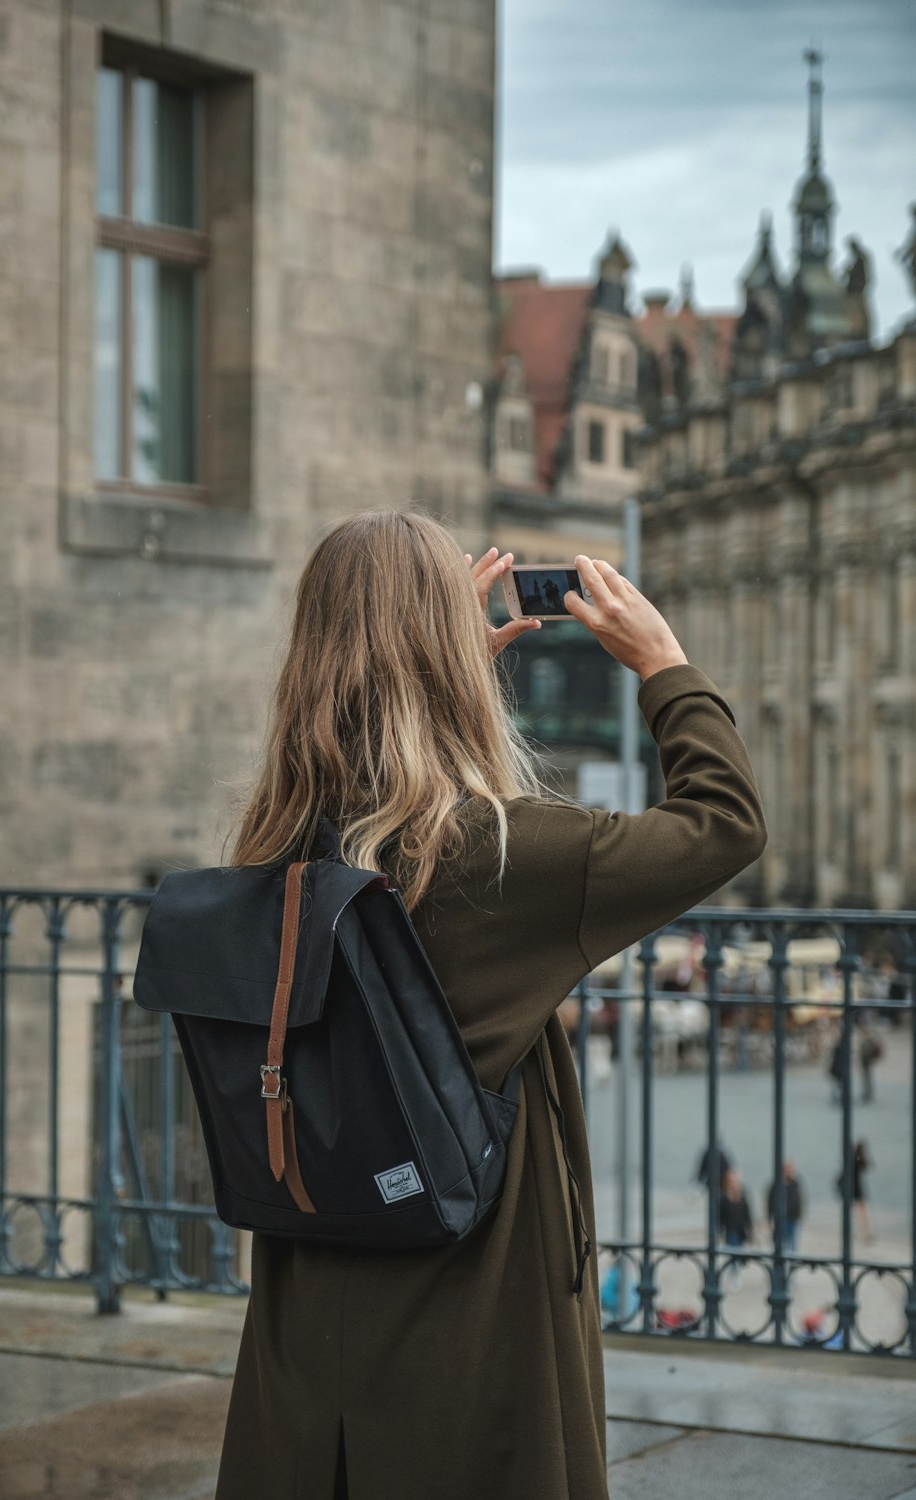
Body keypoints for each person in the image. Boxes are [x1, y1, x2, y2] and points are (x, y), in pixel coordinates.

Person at [212, 510, 767, 1500]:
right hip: (467, 1326)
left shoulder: (271, 842)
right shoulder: (511, 856)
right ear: (450, 661)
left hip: (311, 1326)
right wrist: (664, 666)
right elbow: (724, 822)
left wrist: (422, 671)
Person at [719, 1167, 754, 1283]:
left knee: (739, 1252)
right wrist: (719, 1230)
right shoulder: (724, 1197)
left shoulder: (743, 1195)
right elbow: (720, 1216)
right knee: (732, 1252)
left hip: (741, 1230)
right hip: (730, 1230)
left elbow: (747, 1213)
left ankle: (736, 1273)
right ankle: (733, 1275)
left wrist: (750, 1228)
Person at [837, 1140, 875, 1244]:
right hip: (855, 1189)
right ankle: (864, 1233)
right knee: (860, 1212)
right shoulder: (855, 1160)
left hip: (854, 1189)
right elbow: (867, 1166)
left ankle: (862, 1233)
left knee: (858, 1212)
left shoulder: (853, 1160)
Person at [766, 1159, 805, 1254]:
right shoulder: (776, 1184)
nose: (790, 1172)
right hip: (781, 1218)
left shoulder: (795, 1183)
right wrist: (770, 1218)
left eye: (791, 1169)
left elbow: (799, 1200)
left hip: (793, 1218)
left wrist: (800, 1214)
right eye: (788, 1169)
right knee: (781, 1243)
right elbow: (770, 1202)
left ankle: (792, 1263)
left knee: (792, 1242)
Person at [859, 1023, 884, 1103]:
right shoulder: (867, 1041)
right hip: (866, 1063)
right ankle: (867, 1094)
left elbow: (866, 1053)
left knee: (867, 1080)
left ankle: (868, 1094)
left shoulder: (867, 1041)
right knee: (866, 1079)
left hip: (867, 1063)